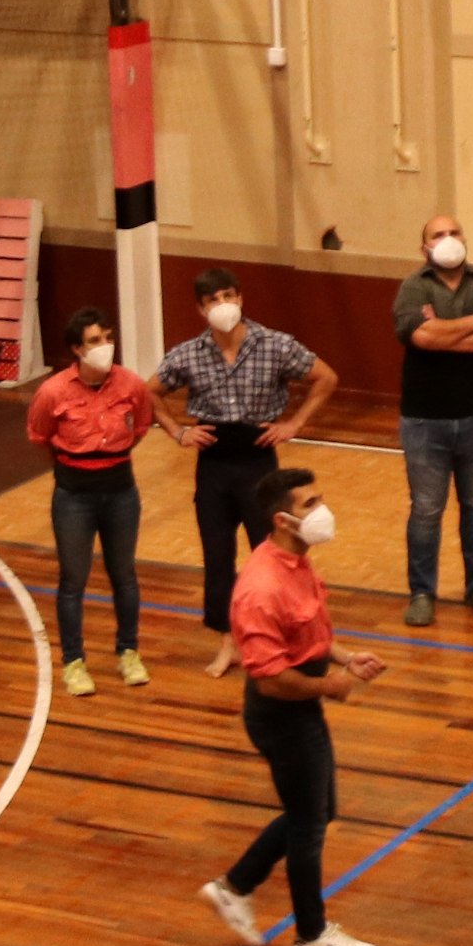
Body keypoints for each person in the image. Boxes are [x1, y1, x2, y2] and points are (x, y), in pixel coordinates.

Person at [198, 465, 385, 946]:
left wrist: (344, 659)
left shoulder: (296, 563)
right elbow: (270, 678)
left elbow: (307, 635)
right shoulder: (260, 588)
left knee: (316, 812)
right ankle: (311, 934)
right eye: (310, 505)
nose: (322, 512)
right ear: (282, 519)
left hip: (301, 707)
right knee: (309, 824)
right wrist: (332, 686)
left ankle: (234, 886)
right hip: (282, 715)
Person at [151, 269, 334, 679]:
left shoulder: (274, 344)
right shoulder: (188, 354)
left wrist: (294, 424)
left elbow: (326, 377)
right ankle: (228, 643)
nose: (222, 305)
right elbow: (149, 392)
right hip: (214, 463)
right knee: (218, 557)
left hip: (258, 461)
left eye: (228, 295)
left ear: (241, 298)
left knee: (271, 554)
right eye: (212, 299)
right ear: (200, 308)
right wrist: (178, 430)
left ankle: (284, 637)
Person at [393, 210, 473, 628]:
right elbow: (417, 336)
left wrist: (442, 334)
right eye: (438, 234)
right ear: (424, 247)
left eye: (454, 232)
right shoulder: (413, 287)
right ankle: (422, 592)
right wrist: (472, 323)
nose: (448, 239)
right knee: (427, 510)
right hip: (424, 420)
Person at [26, 306, 153, 698]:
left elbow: (141, 426)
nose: (105, 346)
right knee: (72, 581)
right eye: (95, 341)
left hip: (121, 493)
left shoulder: (131, 385)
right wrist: (74, 465)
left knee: (124, 576)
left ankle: (128, 652)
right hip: (73, 497)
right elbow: (40, 435)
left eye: (108, 338)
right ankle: (74, 662)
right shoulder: (52, 392)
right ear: (76, 349)